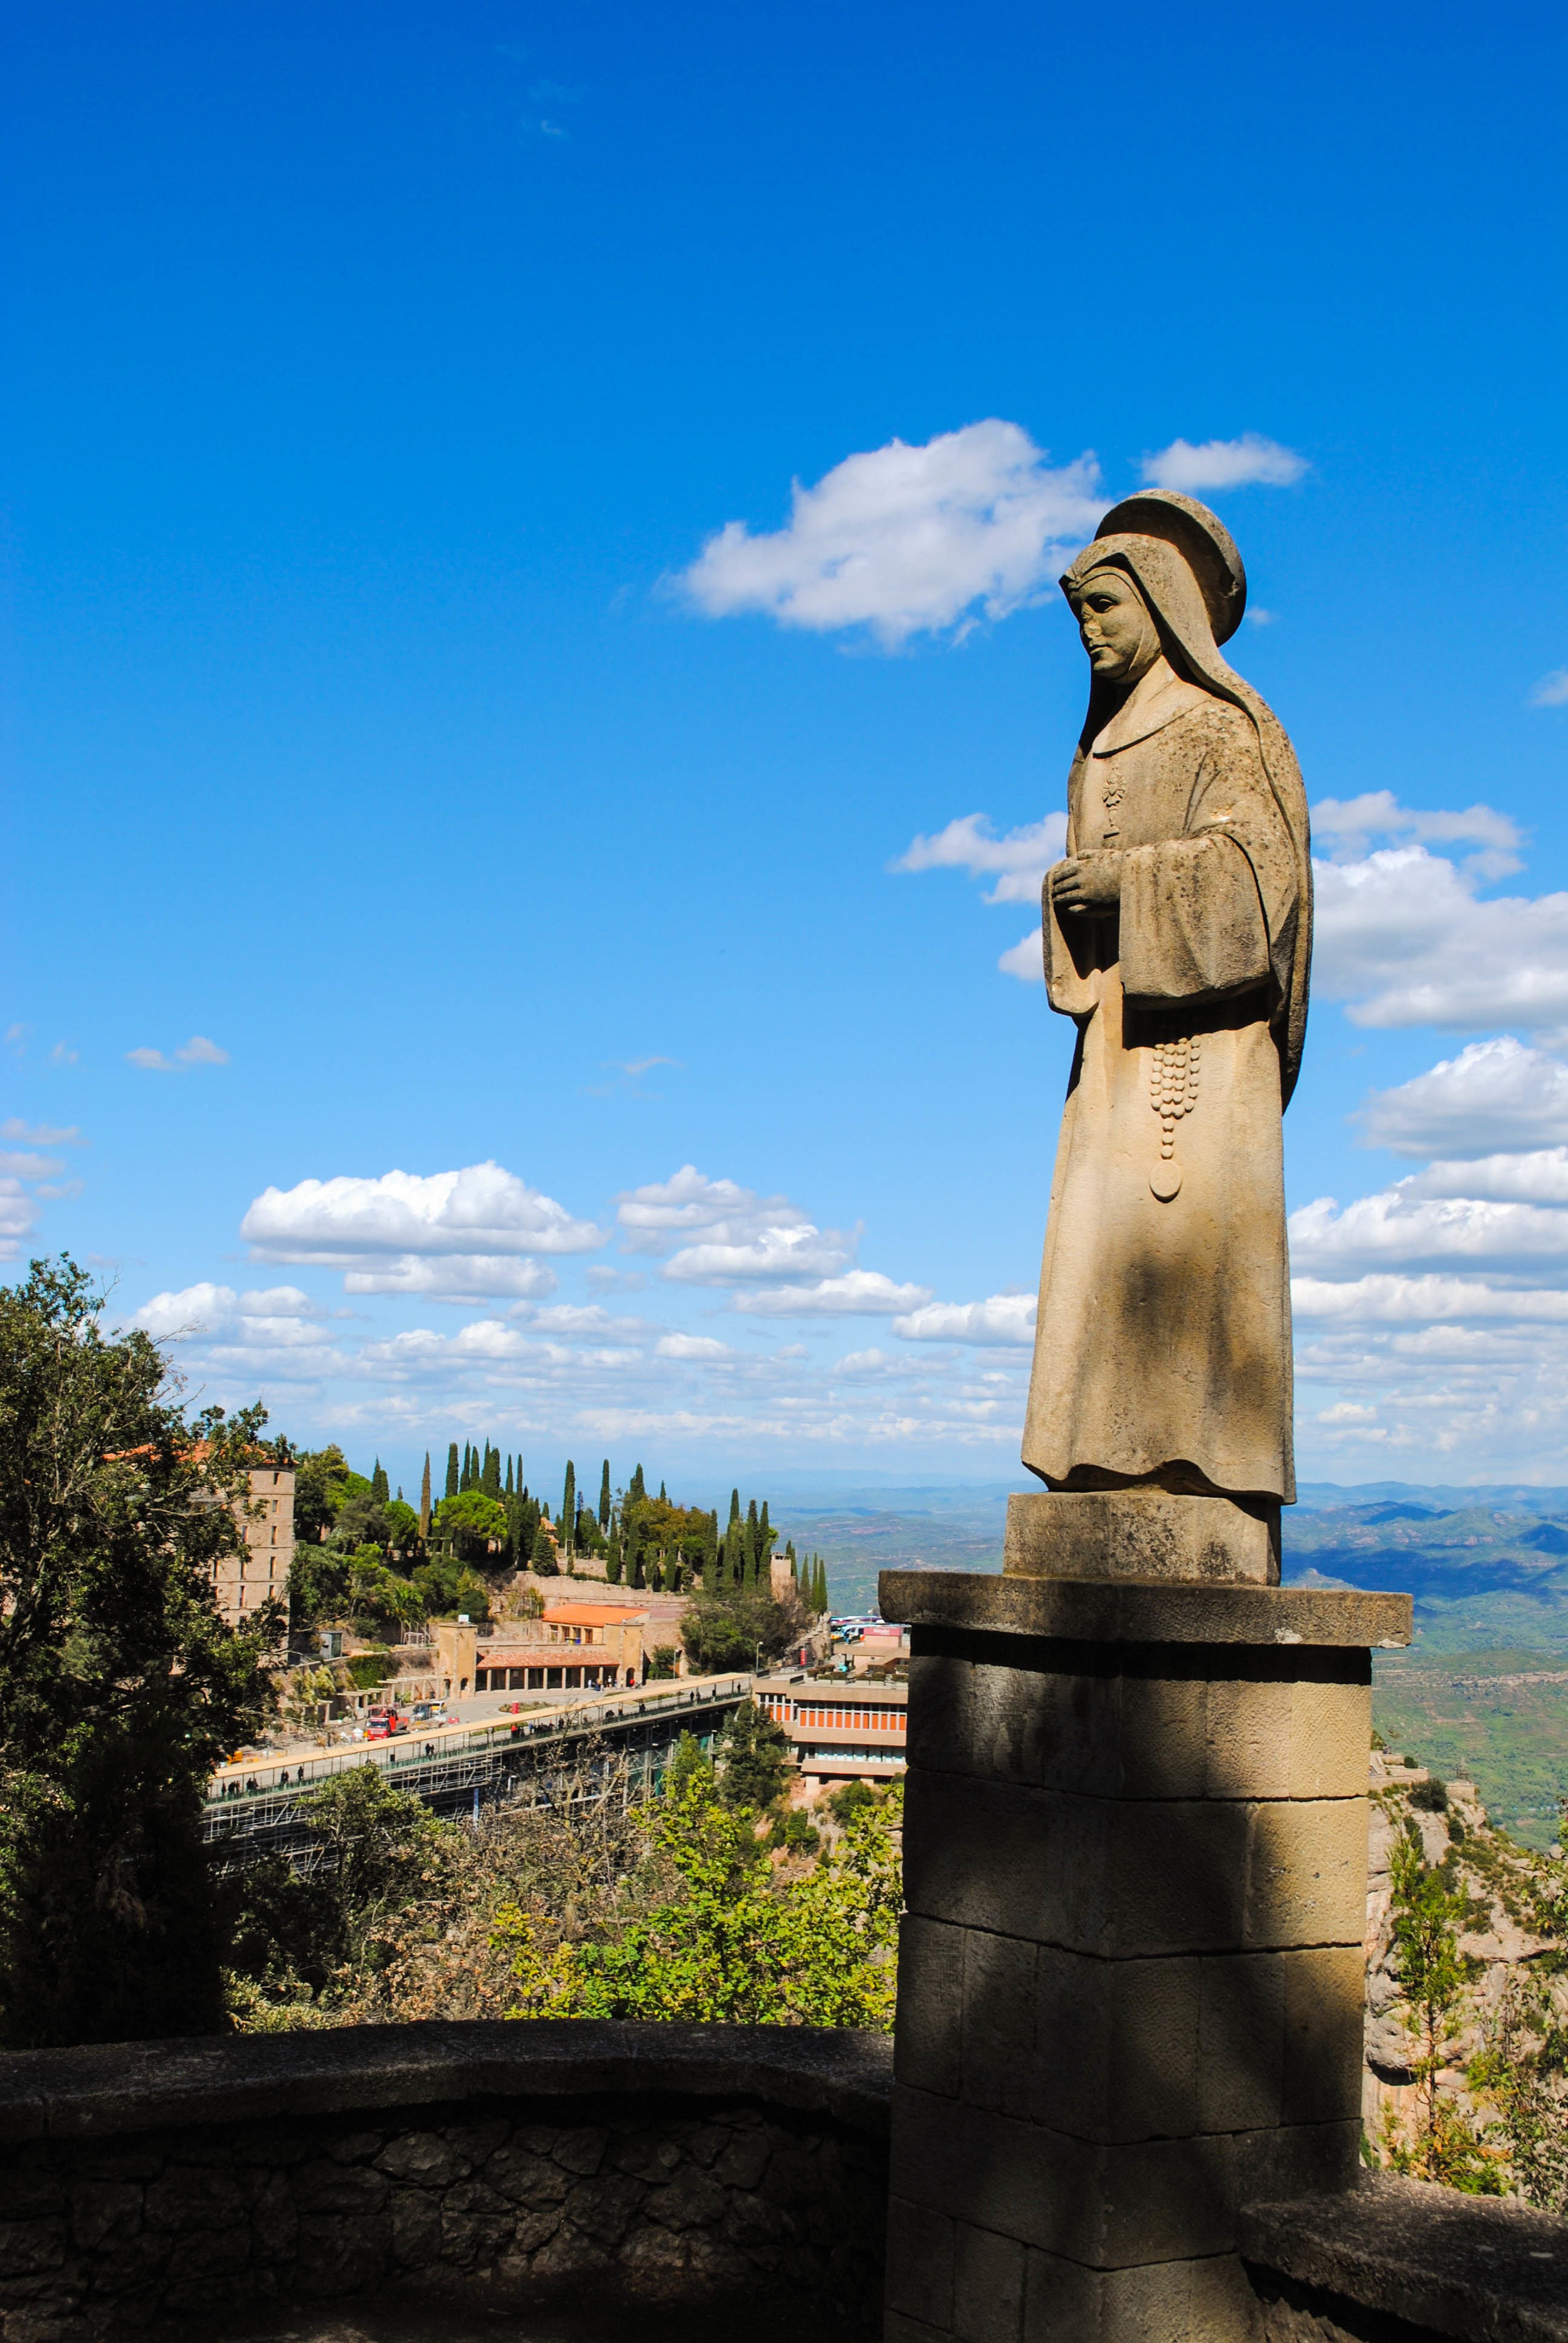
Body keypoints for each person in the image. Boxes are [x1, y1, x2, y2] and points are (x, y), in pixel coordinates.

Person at [1023, 490, 1311, 1507]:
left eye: (1106, 606)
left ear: (1160, 603)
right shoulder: (1096, 750)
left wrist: (1128, 883)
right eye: (1080, 616)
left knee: (1198, 1245)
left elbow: (1259, 883)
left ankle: (1208, 1466)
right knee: (1106, 1242)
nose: (1091, 630)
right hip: (1116, 1046)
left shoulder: (1221, 729)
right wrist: (1072, 901)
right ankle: (1094, 1456)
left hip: (1207, 1046)